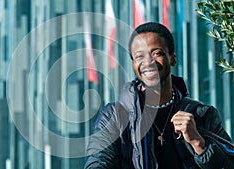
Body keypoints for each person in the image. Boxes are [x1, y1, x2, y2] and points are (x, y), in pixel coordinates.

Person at [84, 22, 234, 169]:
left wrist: (198, 143)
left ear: (172, 58)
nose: (148, 62)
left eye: (157, 53)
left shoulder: (203, 115)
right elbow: (98, 162)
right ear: (133, 64)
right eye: (139, 56)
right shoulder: (114, 116)